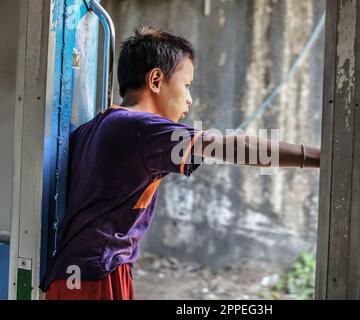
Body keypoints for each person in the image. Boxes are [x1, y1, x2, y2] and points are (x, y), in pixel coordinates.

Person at [40, 26, 320, 300]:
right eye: (185, 85)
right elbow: (234, 146)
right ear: (156, 80)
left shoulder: (97, 126)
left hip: (77, 274)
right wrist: (317, 157)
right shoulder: (142, 128)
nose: (190, 98)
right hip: (94, 277)